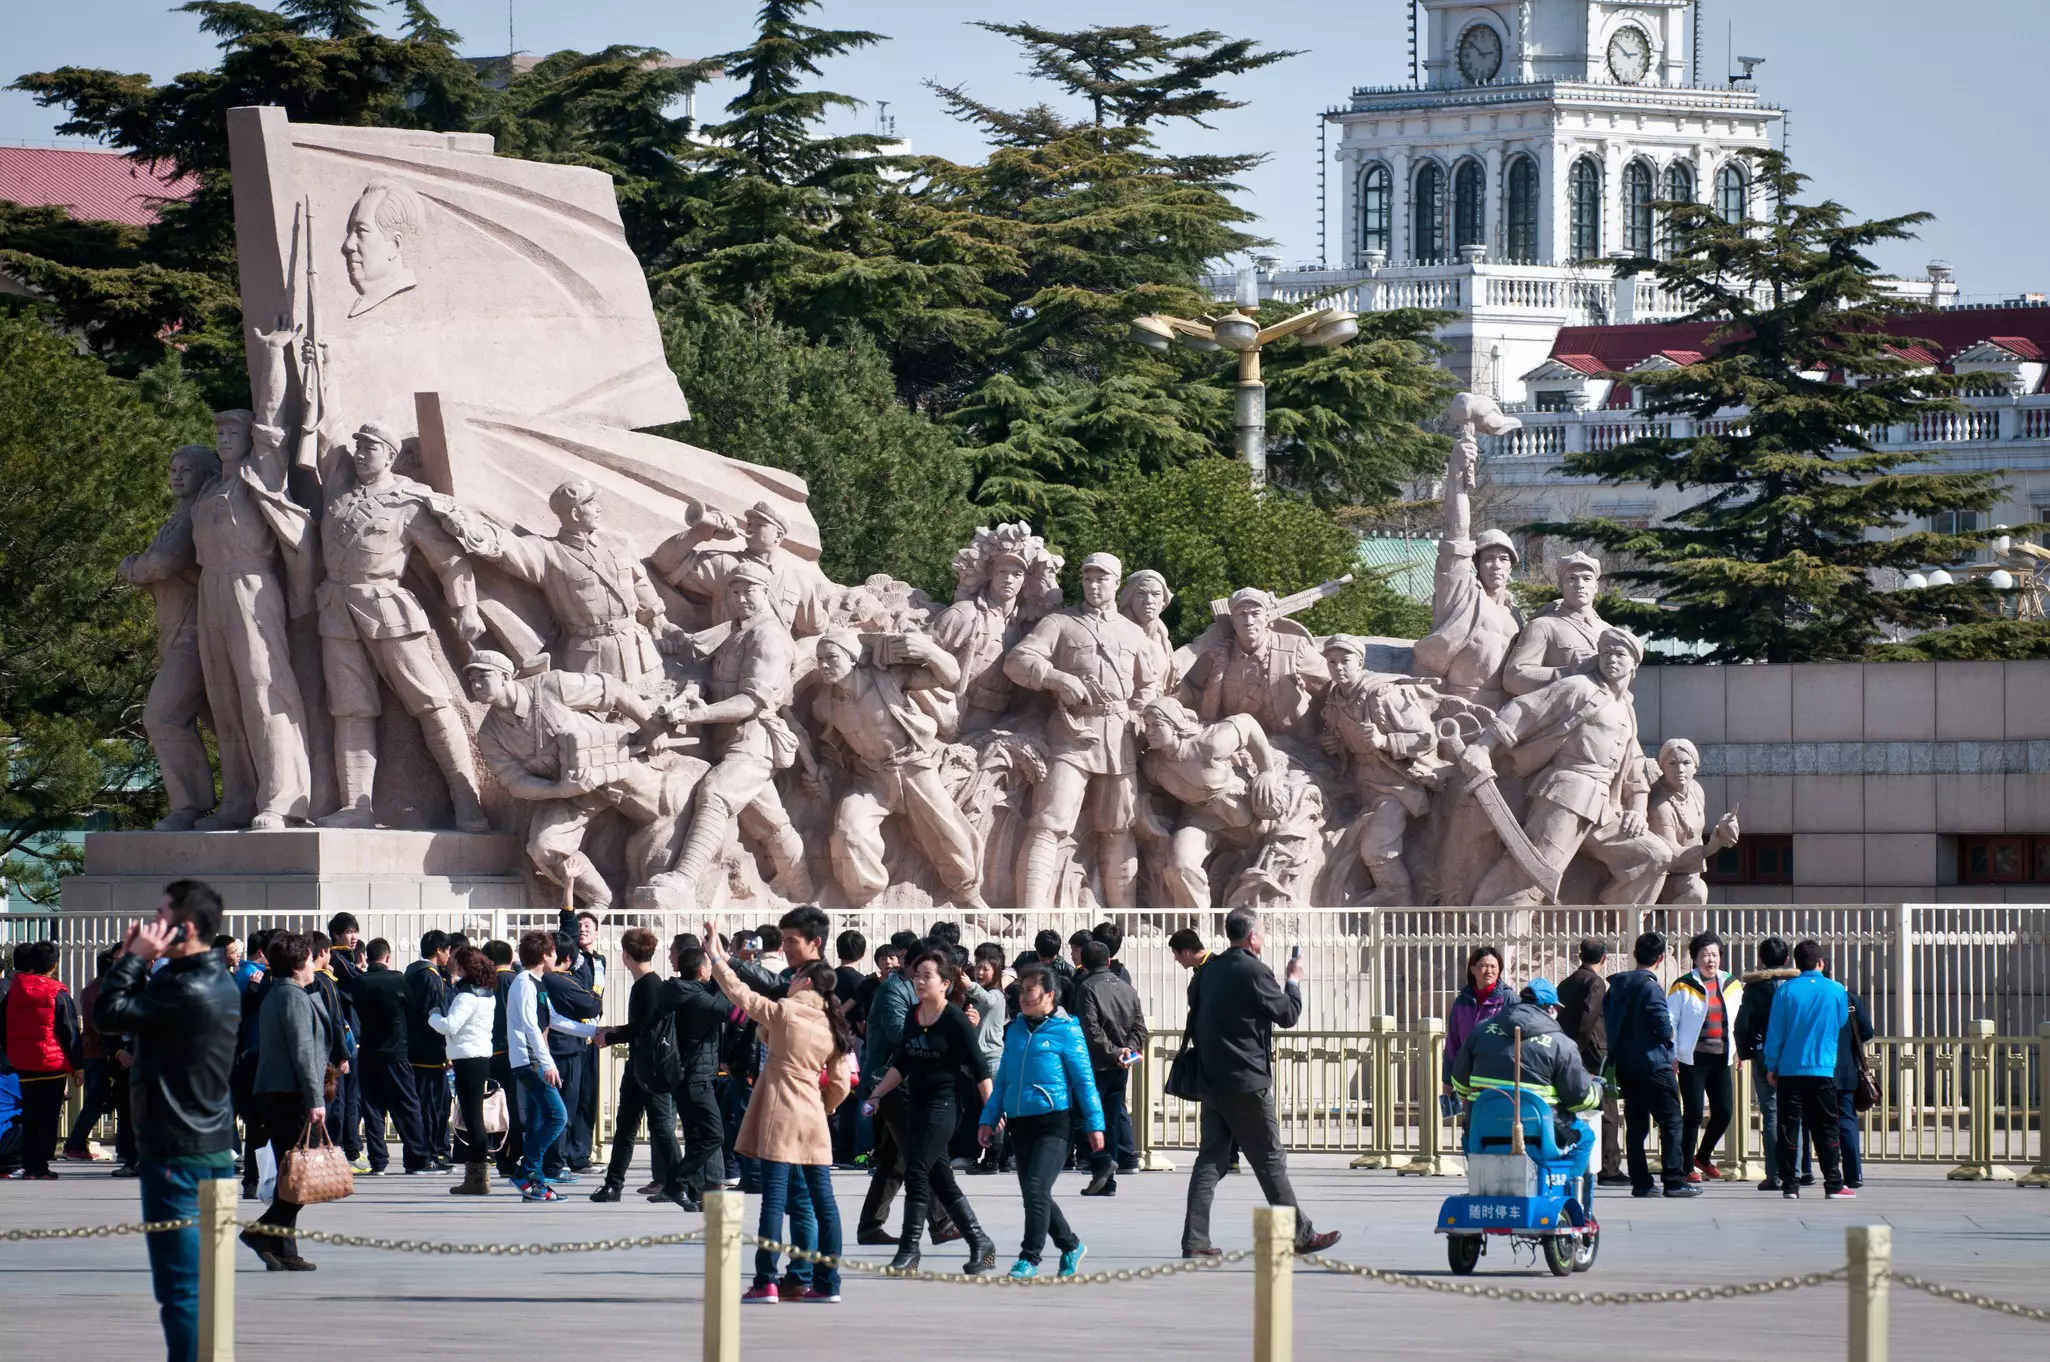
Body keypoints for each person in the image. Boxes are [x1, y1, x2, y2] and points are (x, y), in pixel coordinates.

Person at [95, 880, 240, 1362]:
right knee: (211, 1286)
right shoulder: (213, 980)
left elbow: (109, 1014)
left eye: (161, 916)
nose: (153, 926)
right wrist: (142, 963)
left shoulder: (185, 987)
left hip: (178, 1152)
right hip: (210, 1143)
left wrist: (133, 958)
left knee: (182, 1287)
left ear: (188, 926)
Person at [706, 920, 856, 1304]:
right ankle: (827, 1282)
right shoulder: (832, 1023)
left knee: (774, 1201)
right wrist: (825, 1106)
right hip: (813, 1119)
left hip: (779, 1114)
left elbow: (740, 995)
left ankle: (766, 1280)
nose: (788, 980)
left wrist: (717, 957)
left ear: (805, 982)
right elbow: (839, 1083)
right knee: (823, 1203)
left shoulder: (786, 1012)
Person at [1179, 907, 1342, 1258]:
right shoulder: (1254, 970)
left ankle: (1195, 1240)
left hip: (1212, 1080)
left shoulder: (1209, 971)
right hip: (1247, 1081)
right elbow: (1288, 1015)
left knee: (1210, 1160)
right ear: (1252, 936)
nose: (1264, 938)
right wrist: (1293, 980)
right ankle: (1300, 1235)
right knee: (1270, 1159)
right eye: (1263, 932)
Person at [863, 949, 998, 1273]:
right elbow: (902, 1062)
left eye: (928, 976)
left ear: (945, 983)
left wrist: (991, 1114)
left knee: (917, 1170)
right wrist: (877, 1095)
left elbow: (980, 1068)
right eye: (918, 975)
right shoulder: (913, 1015)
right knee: (942, 1179)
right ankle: (981, 1242)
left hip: (945, 1107)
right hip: (916, 1106)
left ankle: (909, 1251)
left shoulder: (954, 1019)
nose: (920, 981)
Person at [979, 963, 1104, 1279]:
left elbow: (1084, 1081)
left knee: (1035, 1189)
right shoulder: (1016, 1029)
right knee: (1036, 1194)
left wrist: (1094, 1123)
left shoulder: (1067, 1031)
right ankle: (1070, 1244)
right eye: (1021, 989)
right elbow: (1004, 1078)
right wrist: (988, 1118)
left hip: (1053, 1123)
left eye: (1030, 989)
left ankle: (1029, 1257)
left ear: (1050, 994)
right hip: (1020, 1124)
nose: (1023, 995)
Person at [245, 932, 332, 1270]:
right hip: (292, 1094)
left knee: (291, 1175)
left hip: (276, 1092)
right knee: (298, 1177)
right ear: (300, 964)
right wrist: (315, 1099)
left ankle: (284, 1249)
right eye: (310, 959)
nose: (314, 965)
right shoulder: (292, 998)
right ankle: (262, 1232)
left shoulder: (281, 993)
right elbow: (304, 1052)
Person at [592, 928, 689, 1206]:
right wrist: (613, 1030)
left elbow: (642, 1028)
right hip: (640, 1067)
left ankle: (678, 1185)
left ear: (625, 955)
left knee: (660, 1128)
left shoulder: (648, 985)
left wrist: (610, 1036)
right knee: (626, 1127)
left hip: (651, 1070)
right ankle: (613, 1185)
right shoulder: (648, 983)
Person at [1449, 978, 1599, 1150]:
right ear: (1550, 1008)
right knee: (1586, 1138)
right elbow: (1578, 1099)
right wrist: (1597, 1090)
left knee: (1467, 1141)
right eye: (1556, 1007)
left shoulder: (1481, 1031)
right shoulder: (1561, 1044)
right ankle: (1572, 1178)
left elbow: (1460, 1083)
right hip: (1542, 1135)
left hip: (1482, 1131)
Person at [1603, 931, 1696, 1198]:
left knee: (1636, 1126)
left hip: (1626, 1065)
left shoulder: (1616, 987)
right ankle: (1674, 1179)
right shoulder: (1650, 986)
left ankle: (1641, 1183)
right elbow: (1663, 1025)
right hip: (1654, 1064)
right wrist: (1669, 1036)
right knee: (1671, 1121)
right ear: (1661, 958)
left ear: (1635, 955)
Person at [1763, 939, 1852, 1200]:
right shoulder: (1836, 990)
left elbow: (1775, 1032)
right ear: (1821, 963)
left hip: (1790, 1071)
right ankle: (1833, 1183)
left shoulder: (1786, 991)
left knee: (1788, 1128)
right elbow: (1841, 1021)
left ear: (1795, 963)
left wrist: (1772, 1065)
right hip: (1823, 1069)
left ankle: (1790, 1185)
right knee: (1826, 1128)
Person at [338, 937, 430, 1174]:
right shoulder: (398, 980)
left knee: (372, 1107)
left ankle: (378, 1160)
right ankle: (417, 1159)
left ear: (366, 957)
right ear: (387, 957)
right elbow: (413, 1010)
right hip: (395, 1050)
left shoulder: (359, 982)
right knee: (407, 1105)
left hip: (368, 1051)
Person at [0, 941, 80, 1179]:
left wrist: (12, 1050)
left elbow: (2, 1026)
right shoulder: (57, 992)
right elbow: (70, 1031)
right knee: (47, 1118)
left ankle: (25, 1164)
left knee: (29, 1115)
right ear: (53, 965)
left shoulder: (14, 990)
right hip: (52, 1066)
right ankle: (39, 1167)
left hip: (21, 1064)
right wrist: (78, 1066)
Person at [1668, 931, 1742, 1182]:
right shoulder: (1683, 985)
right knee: (1694, 1113)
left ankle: (1704, 1155)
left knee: (1724, 1112)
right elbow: (1671, 1021)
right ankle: (1687, 1166)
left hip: (1721, 1058)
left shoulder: (1731, 984)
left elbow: (1737, 1021)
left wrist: (1739, 1050)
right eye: (1704, 955)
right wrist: (1673, 1053)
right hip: (1693, 1059)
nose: (1710, 960)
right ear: (1695, 959)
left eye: (1714, 955)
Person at [1072, 939, 1145, 1195]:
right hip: (1120, 1066)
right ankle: (1107, 1181)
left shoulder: (1087, 987)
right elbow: (1139, 1026)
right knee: (1111, 1120)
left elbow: (1090, 1029)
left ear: (1083, 963)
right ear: (1109, 960)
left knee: (1084, 1116)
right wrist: (1127, 1051)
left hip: (1097, 1064)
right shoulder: (1127, 988)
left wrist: (1114, 1052)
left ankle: (1101, 1165)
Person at [429, 945, 499, 1196]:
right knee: (473, 1116)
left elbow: (450, 1026)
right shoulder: (487, 994)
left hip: (467, 1059)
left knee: (473, 1119)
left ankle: (477, 1178)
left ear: (463, 966)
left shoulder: (466, 996)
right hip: (479, 1057)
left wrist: (433, 1015)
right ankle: (478, 1177)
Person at [506, 930, 569, 1202]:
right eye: (554, 952)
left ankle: (535, 1183)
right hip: (529, 1061)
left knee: (536, 1122)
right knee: (558, 1116)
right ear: (545, 955)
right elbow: (532, 1026)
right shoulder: (523, 982)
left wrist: (594, 1032)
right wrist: (548, 1064)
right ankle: (526, 1171)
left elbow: (552, 1019)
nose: (557, 957)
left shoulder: (537, 982)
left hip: (533, 1060)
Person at [1555, 938, 1623, 1185]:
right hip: (1595, 1051)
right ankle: (1609, 1167)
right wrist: (1578, 1046)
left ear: (1579, 955)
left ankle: (1577, 1159)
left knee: (1575, 1106)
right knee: (1607, 1107)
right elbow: (1589, 1016)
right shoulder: (1596, 982)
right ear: (1604, 958)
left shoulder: (1565, 983)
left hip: (1569, 1050)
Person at [62, 947, 136, 1170]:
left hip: (96, 1051)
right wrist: (113, 1049)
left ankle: (79, 1144)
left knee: (103, 1100)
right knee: (99, 1099)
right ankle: (75, 1144)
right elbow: (98, 1026)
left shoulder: (93, 988)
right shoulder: (102, 989)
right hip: (100, 1053)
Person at [1734, 937, 1797, 1190]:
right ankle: (1796, 1170)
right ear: (1786, 960)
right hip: (1794, 1056)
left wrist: (1745, 1050)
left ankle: (1775, 1174)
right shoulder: (1795, 986)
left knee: (1770, 1112)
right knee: (1794, 1114)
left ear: (1761, 959)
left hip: (1763, 1054)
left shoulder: (1755, 988)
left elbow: (1743, 1023)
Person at [406, 930, 454, 1170]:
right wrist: (444, 1051)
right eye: (447, 951)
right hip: (429, 1053)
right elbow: (433, 1016)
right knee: (431, 1106)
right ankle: (426, 1155)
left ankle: (424, 1154)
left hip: (414, 1050)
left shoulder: (412, 973)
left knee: (423, 1105)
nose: (449, 956)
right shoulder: (431, 978)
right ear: (439, 950)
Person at [323, 914, 367, 1170]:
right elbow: (357, 990)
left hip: (351, 1038)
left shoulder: (344, 960)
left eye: (355, 931)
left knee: (350, 1099)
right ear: (336, 935)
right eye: (348, 932)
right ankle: (344, 1150)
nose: (353, 937)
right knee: (343, 1099)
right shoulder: (338, 961)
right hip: (345, 1041)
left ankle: (348, 1149)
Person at [1442, 945, 1508, 1112]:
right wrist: (1447, 1079)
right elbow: (1453, 1043)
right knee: (1471, 1126)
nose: (1489, 971)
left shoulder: (1508, 999)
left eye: (1494, 966)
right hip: (1468, 1078)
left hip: (1499, 1078)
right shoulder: (1462, 1001)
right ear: (1473, 969)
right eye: (1483, 966)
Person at [1830, 961, 1875, 1192]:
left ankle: (1805, 1171)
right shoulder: (1849, 999)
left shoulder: (1807, 996)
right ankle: (1853, 1172)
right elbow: (1867, 1031)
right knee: (1846, 1121)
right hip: (1846, 1069)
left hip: (1815, 1069)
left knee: (1809, 1121)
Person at [483, 939, 525, 1181]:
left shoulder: (485, 983)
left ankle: (500, 1155)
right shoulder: (514, 981)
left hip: (491, 1053)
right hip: (512, 1053)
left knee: (496, 1107)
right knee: (514, 1108)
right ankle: (509, 1157)